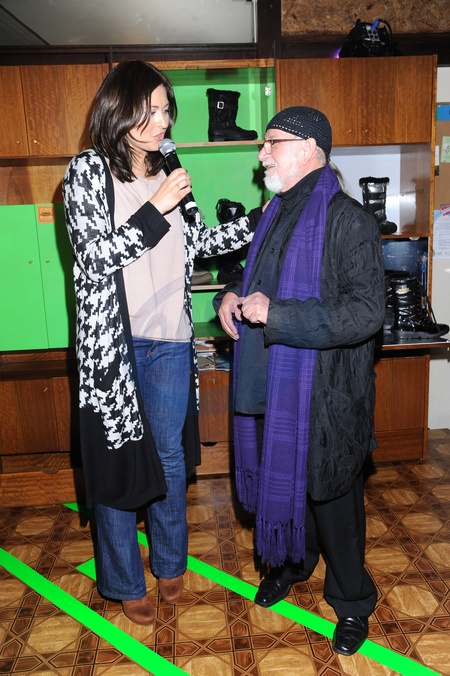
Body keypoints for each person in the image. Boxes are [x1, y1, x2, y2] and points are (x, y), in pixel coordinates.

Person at [62, 60, 258, 626]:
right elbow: (93, 259)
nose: (162, 121)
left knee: (169, 456)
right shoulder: (86, 171)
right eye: (149, 110)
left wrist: (259, 221)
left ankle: (170, 561)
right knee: (119, 462)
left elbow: (199, 242)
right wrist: (156, 207)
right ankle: (124, 579)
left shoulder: (170, 167)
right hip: (114, 346)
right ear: (118, 108)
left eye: (166, 110)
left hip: (170, 339)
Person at [215, 106, 385, 656]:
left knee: (333, 500)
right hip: (271, 382)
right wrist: (229, 297)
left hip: (326, 391)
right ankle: (293, 564)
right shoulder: (272, 212)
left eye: (272, 143)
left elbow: (367, 313)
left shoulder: (349, 220)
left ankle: (352, 599)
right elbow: (250, 277)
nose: (261, 153)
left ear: (310, 147)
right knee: (284, 483)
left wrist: (279, 315)